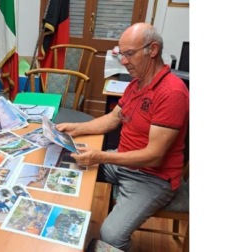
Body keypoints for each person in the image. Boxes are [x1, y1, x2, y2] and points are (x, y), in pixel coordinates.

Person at [56, 23, 189, 251]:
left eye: (129, 54)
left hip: (152, 178)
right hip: (123, 161)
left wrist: (100, 157)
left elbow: (154, 156)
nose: (124, 61)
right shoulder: (137, 84)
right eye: (122, 55)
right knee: (65, 162)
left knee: (111, 235)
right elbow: (112, 119)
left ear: (153, 49)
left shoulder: (172, 93)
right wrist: (74, 128)